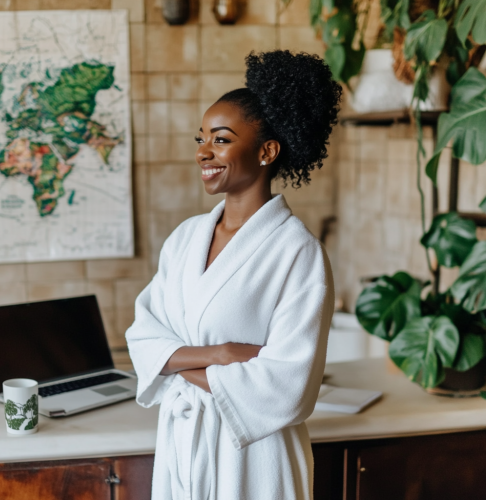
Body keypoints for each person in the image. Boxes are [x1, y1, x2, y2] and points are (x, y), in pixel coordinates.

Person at [126, 50, 342, 500]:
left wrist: (176, 361)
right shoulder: (186, 239)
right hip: (182, 442)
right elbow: (142, 340)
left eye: (221, 140)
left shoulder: (297, 254)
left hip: (255, 460)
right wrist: (222, 354)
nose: (204, 151)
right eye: (201, 138)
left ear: (266, 151)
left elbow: (289, 387)